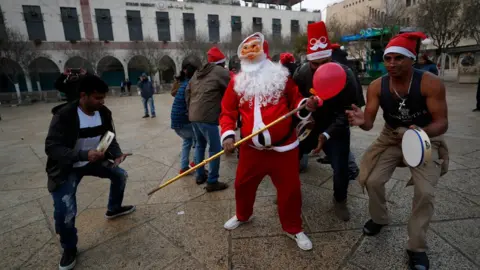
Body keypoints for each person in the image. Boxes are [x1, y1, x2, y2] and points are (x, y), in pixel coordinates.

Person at [346, 32, 449, 270]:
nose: (392, 63)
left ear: (412, 59)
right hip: (391, 137)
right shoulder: (376, 86)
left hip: (425, 138)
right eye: (388, 58)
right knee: (372, 180)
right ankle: (379, 217)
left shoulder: (430, 83)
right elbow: (370, 122)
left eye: (398, 58)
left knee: (425, 192)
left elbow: (442, 122)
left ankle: (417, 248)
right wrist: (362, 120)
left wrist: (418, 132)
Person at [220, 32, 319, 251]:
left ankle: (293, 227)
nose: (250, 57)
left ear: (264, 53)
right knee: (242, 185)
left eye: (254, 51)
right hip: (251, 149)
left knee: (290, 191)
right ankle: (243, 215)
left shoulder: (282, 78)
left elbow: (297, 101)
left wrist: (307, 104)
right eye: (245, 54)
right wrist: (227, 135)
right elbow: (227, 111)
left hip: (284, 149)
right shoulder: (237, 83)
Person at [45, 74, 135, 270]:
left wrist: (117, 154)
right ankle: (69, 248)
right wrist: (83, 154)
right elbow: (52, 147)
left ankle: (113, 208)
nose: (102, 102)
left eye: (103, 98)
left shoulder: (103, 112)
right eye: (97, 98)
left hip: (94, 162)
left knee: (120, 175)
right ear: (83, 95)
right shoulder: (64, 115)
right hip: (67, 168)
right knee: (65, 212)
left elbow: (110, 136)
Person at [293, 21, 359, 221]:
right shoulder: (301, 73)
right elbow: (292, 101)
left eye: (325, 62)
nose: (321, 68)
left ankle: (340, 200)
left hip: (336, 127)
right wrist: (304, 104)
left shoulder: (346, 75)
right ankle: (288, 193)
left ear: (331, 57)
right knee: (289, 158)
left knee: (340, 167)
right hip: (309, 125)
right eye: (315, 64)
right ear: (309, 61)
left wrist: (327, 134)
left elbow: (348, 113)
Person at [185, 46, 230, 191]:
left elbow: (187, 91)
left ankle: (200, 175)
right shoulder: (221, 72)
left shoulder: (198, 72)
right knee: (215, 149)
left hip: (194, 115)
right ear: (222, 63)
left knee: (199, 145)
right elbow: (234, 87)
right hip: (207, 117)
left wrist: (191, 109)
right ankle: (212, 181)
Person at [171, 64, 199, 174]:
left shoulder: (183, 83)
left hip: (176, 121)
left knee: (187, 140)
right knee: (199, 139)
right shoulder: (190, 85)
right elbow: (190, 104)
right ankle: (196, 163)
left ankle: (184, 167)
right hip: (183, 120)